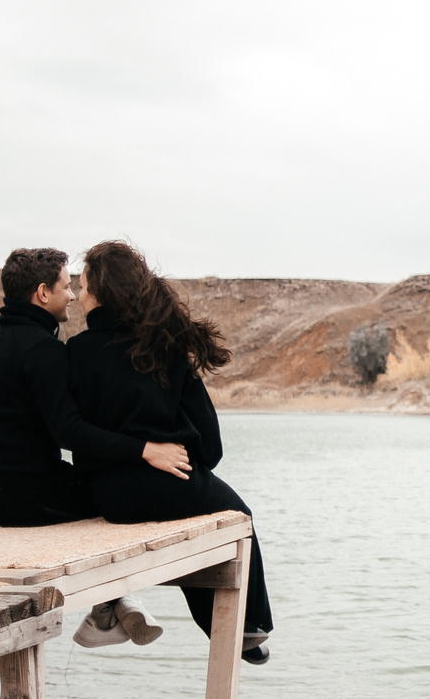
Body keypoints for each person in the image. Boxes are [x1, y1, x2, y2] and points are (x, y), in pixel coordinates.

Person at [64, 238, 274, 665]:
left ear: (100, 293)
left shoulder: (76, 353)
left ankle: (112, 606)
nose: (79, 293)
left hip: (108, 497)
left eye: (83, 285)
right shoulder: (165, 347)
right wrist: (189, 466)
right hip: (173, 485)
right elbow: (211, 445)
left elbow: (73, 432)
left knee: (203, 521)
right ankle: (245, 628)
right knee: (237, 518)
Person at [0, 246, 164, 644]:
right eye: (67, 286)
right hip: (19, 499)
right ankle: (106, 612)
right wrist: (143, 449)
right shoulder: (43, 350)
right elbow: (70, 433)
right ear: (43, 293)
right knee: (114, 494)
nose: (73, 295)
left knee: (95, 486)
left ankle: (113, 606)